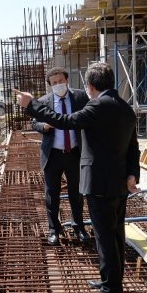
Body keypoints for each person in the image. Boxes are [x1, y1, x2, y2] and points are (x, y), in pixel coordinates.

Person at [15, 62, 140, 293]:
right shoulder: (125, 108)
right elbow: (133, 145)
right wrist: (132, 174)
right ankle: (110, 280)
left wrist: (31, 105)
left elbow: (64, 121)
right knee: (115, 235)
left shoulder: (96, 106)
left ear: (90, 86)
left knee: (105, 238)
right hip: (119, 183)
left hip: (99, 184)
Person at [31, 67, 90, 245]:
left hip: (74, 153)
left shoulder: (80, 97)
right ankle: (53, 229)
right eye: (54, 83)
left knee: (77, 193)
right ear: (50, 86)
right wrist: (44, 126)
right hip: (53, 155)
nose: (58, 85)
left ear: (67, 80)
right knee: (52, 194)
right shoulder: (43, 102)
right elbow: (34, 122)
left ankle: (79, 226)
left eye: (61, 81)